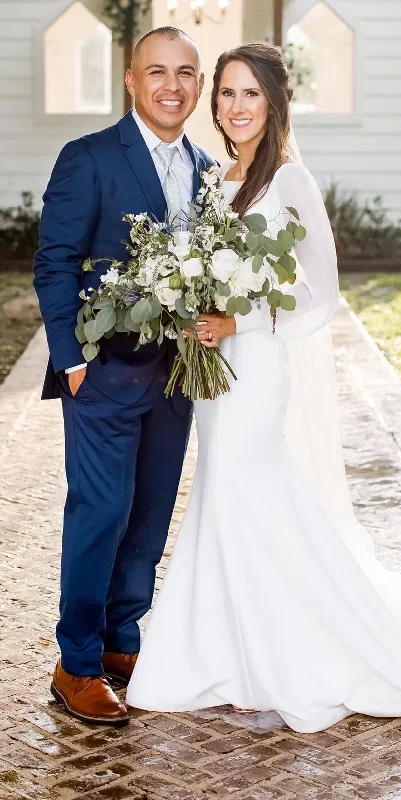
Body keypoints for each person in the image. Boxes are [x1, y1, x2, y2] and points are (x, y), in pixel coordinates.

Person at [127, 42, 401, 734]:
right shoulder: (214, 176)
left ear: (274, 102)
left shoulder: (289, 178)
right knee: (226, 502)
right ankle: (230, 652)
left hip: (255, 368)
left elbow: (321, 293)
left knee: (245, 494)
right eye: (225, 93)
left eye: (249, 93)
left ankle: (274, 658)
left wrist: (239, 319)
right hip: (214, 375)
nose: (234, 106)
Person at [33, 27, 214, 726]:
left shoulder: (208, 170)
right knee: (100, 515)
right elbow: (53, 262)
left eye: (186, 73)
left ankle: (121, 642)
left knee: (147, 518)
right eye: (157, 72)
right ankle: (74, 663)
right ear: (131, 82)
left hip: (175, 381)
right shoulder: (90, 158)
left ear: (196, 85)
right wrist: (71, 362)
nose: (173, 86)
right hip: (103, 375)